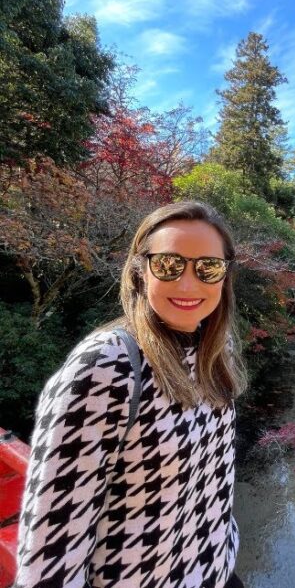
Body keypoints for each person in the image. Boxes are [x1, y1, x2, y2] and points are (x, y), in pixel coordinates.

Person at [14, 201, 248, 588]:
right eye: (169, 265)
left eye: (208, 267)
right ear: (140, 272)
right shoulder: (108, 365)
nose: (189, 284)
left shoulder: (217, 351)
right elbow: (51, 549)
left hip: (218, 571)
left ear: (224, 276)